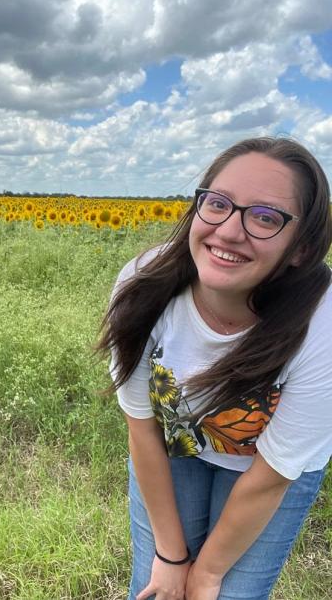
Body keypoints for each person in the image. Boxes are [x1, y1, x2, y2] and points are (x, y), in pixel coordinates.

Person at [99, 137, 332, 600]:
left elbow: (271, 476)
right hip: (174, 442)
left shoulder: (322, 322)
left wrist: (205, 575)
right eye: (217, 203)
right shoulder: (143, 288)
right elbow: (142, 428)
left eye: (265, 217)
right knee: (156, 587)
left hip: (265, 467)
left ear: (301, 248)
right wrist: (170, 558)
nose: (228, 231)